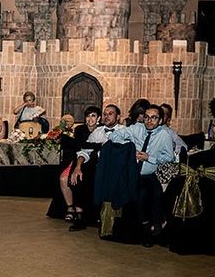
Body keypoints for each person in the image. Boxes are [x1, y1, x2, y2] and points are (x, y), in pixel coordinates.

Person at [108, 104, 175, 243]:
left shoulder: (165, 135)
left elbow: (170, 157)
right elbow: (114, 135)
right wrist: (129, 148)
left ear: (160, 120)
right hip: (132, 173)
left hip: (149, 174)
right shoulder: (137, 128)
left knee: (157, 193)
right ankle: (145, 229)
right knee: (140, 194)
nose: (149, 121)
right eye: (147, 117)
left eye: (154, 118)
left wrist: (149, 157)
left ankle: (157, 225)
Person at [68, 104, 123, 231]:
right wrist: (78, 167)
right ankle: (80, 218)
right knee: (78, 177)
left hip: (114, 168)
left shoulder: (124, 132)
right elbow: (84, 151)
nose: (107, 116)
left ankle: (104, 219)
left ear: (118, 116)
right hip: (96, 165)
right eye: (105, 114)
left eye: (111, 113)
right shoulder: (98, 131)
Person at [58, 106, 100, 222]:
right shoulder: (80, 129)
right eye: (88, 116)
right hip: (78, 158)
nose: (90, 119)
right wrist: (95, 145)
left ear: (98, 118)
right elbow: (80, 146)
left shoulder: (102, 129)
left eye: (93, 116)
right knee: (63, 178)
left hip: (95, 162)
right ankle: (70, 208)